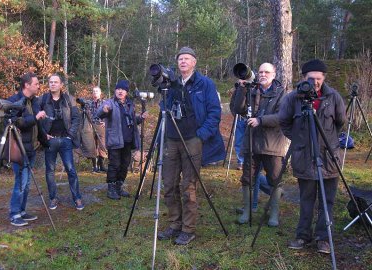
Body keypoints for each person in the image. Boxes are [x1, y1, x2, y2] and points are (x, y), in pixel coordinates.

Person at [157, 47, 225, 245]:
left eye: (187, 59)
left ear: (194, 62)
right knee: (169, 184)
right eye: (180, 59)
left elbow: (214, 112)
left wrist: (201, 135)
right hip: (172, 138)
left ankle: (188, 228)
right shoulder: (172, 84)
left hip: (192, 139)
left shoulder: (205, 84)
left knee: (188, 186)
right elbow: (164, 108)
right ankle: (174, 224)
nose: (183, 62)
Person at [279, 59, 346, 254]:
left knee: (328, 201)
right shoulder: (293, 98)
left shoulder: (334, 97)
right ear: (303, 78)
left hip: (329, 158)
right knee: (306, 198)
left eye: (318, 78)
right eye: (311, 78)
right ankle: (302, 236)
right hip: (304, 156)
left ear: (324, 78)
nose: (315, 82)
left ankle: (323, 238)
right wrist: (300, 140)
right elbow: (284, 122)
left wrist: (327, 141)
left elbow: (340, 122)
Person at [233, 62, 287, 227]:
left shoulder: (282, 93)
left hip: (273, 144)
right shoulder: (252, 90)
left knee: (275, 179)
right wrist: (242, 89)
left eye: (267, 72)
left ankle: (274, 214)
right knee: (248, 179)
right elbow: (237, 109)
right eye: (261, 72)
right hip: (252, 142)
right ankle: (248, 211)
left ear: (274, 74)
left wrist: (261, 120)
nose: (263, 75)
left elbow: (282, 117)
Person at [7, 72, 47, 226]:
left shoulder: (34, 101)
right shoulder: (14, 101)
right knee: (20, 182)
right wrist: (35, 118)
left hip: (31, 148)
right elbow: (16, 123)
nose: (38, 86)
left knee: (27, 182)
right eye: (36, 83)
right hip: (19, 148)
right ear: (27, 85)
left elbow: (37, 125)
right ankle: (14, 214)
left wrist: (44, 138)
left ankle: (22, 211)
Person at [97, 80, 148, 200]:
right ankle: (111, 189)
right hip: (115, 140)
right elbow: (99, 113)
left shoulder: (130, 104)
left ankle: (119, 187)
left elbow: (131, 119)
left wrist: (140, 118)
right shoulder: (109, 103)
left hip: (128, 140)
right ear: (115, 90)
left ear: (126, 92)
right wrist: (103, 110)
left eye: (123, 89)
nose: (120, 91)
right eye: (118, 89)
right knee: (114, 165)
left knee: (124, 165)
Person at [39, 73, 84, 210]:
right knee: (50, 171)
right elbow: (37, 119)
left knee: (71, 169)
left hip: (65, 140)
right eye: (51, 82)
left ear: (61, 85)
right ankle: (53, 198)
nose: (53, 84)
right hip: (50, 141)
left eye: (55, 82)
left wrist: (70, 135)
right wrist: (43, 135)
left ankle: (77, 198)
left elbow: (77, 118)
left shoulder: (69, 100)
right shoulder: (43, 100)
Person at [81, 86, 107, 173]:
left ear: (100, 93)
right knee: (92, 145)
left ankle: (102, 165)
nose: (95, 92)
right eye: (93, 91)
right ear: (92, 93)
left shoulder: (104, 102)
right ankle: (94, 166)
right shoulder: (88, 103)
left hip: (101, 125)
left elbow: (110, 114)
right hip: (91, 125)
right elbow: (83, 112)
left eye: (96, 91)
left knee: (102, 145)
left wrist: (106, 122)